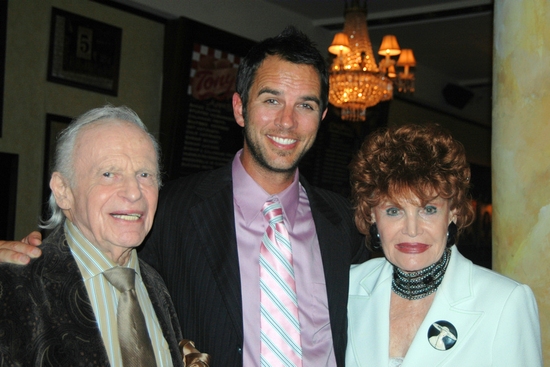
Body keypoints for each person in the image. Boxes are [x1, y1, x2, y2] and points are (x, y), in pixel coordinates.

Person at [0, 27, 367, 366]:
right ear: (240, 108)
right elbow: (90, 255)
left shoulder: (344, 221)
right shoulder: (167, 211)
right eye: (271, 101)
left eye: (306, 105)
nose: (287, 121)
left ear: (322, 116)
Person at [0, 106, 209, 366]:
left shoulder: (156, 286)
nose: (134, 192)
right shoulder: (14, 286)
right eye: (109, 174)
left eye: (145, 175)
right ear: (63, 191)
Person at [345, 124, 542, 366]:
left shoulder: (505, 301)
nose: (412, 229)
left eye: (428, 210)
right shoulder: (347, 286)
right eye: (394, 210)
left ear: (453, 213)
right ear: (373, 215)